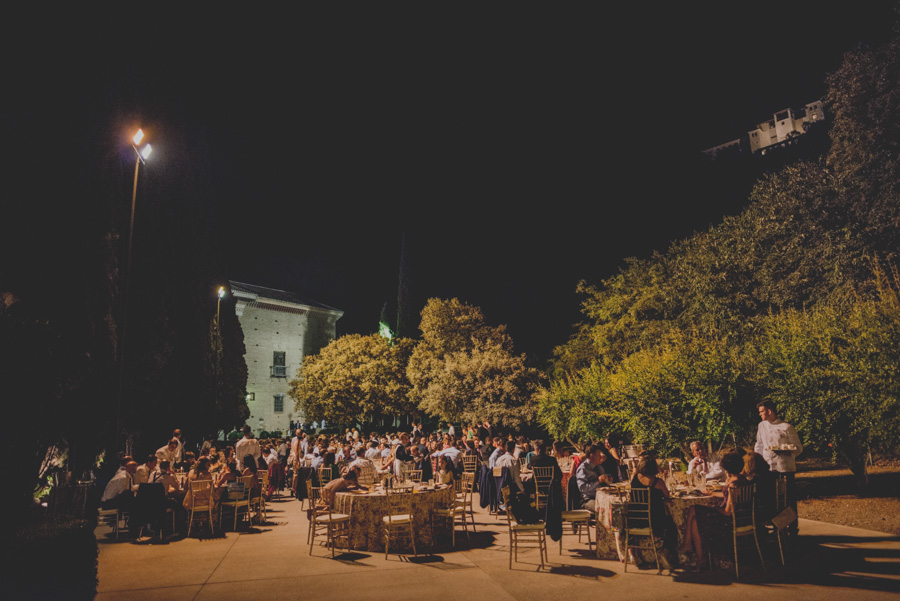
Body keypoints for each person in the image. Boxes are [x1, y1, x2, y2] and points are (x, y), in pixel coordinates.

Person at [680, 450, 749, 570]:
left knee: (693, 509)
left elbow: (728, 511)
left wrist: (714, 509)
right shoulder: (742, 479)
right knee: (695, 520)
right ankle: (700, 559)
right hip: (741, 518)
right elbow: (729, 497)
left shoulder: (734, 485)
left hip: (729, 522)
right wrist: (711, 493)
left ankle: (689, 548)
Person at [753, 400, 802, 533]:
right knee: (772, 499)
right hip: (768, 469)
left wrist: (787, 451)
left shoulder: (786, 427)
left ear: (769, 411)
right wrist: (756, 460)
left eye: (762, 411)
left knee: (788, 499)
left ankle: (792, 528)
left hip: (784, 468)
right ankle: (777, 528)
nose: (760, 414)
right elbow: (759, 445)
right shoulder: (761, 426)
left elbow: (798, 448)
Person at [574, 444, 612, 512]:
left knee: (614, 505)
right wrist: (598, 481)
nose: (601, 457)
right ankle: (603, 522)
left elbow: (604, 480)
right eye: (599, 455)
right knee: (604, 507)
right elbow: (583, 489)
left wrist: (608, 479)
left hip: (602, 496)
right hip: (588, 499)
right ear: (592, 456)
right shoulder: (583, 469)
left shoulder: (599, 467)